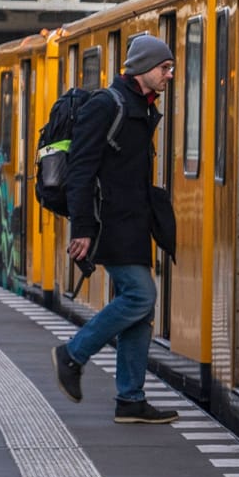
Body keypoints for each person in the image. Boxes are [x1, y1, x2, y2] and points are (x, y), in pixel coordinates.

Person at [52, 33, 180, 423]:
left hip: (134, 222)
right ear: (143, 69)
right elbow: (81, 169)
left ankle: (130, 399)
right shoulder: (107, 105)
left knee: (140, 312)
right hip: (110, 224)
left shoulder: (137, 105)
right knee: (141, 296)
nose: (170, 75)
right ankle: (73, 353)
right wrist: (83, 228)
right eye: (164, 68)